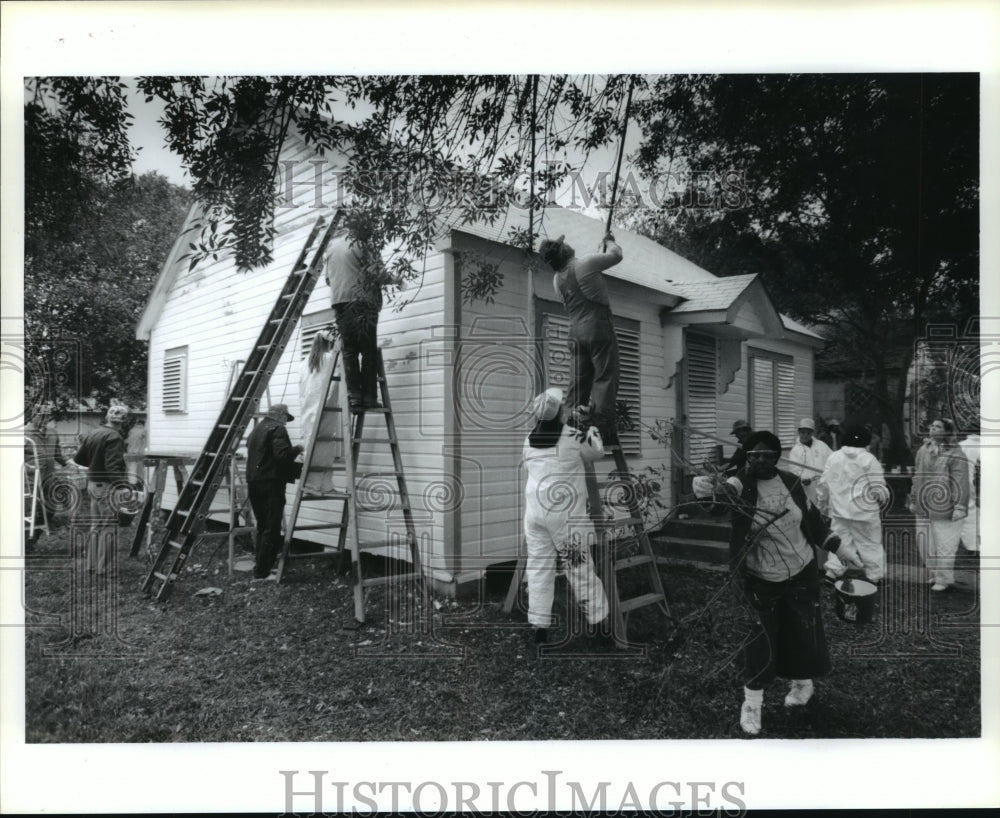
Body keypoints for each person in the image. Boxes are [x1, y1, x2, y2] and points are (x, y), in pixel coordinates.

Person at [693, 431, 861, 736]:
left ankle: (802, 685)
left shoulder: (792, 482)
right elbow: (718, 506)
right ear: (747, 457)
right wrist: (704, 491)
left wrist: (841, 549)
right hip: (761, 578)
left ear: (776, 455)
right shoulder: (739, 484)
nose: (760, 460)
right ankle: (752, 705)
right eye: (753, 455)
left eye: (767, 454)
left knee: (802, 630)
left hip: (801, 572)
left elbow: (813, 522)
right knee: (759, 640)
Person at [522, 387, 610, 645]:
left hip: (535, 515)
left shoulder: (528, 439)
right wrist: (591, 430)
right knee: (578, 567)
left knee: (539, 568)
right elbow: (597, 452)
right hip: (565, 519)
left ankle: (539, 627)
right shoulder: (573, 436)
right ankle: (598, 624)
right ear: (559, 413)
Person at [539, 231, 623, 442]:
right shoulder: (585, 264)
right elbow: (616, 256)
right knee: (604, 378)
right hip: (598, 327)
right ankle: (602, 429)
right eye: (563, 244)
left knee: (578, 382)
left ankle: (568, 424)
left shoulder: (557, 280)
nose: (566, 244)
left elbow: (582, 284)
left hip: (575, 332)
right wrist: (610, 242)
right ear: (563, 251)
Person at [325, 224, 388, 413]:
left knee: (349, 350)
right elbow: (378, 274)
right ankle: (368, 397)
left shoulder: (330, 247)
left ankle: (354, 397)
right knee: (368, 350)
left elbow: (328, 280)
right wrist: (398, 280)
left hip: (340, 302)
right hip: (363, 302)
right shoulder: (364, 242)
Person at [816, 423, 890, 583]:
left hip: (839, 511)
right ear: (866, 440)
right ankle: (874, 576)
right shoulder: (869, 459)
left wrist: (822, 506)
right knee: (870, 543)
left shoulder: (834, 457)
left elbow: (823, 485)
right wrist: (883, 500)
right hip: (864, 512)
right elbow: (878, 488)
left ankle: (832, 572)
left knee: (841, 543)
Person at [910, 418, 969, 591]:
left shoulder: (956, 453)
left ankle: (943, 579)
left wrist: (959, 506)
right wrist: (914, 499)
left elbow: (960, 481)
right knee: (925, 543)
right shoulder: (923, 449)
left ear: (947, 431)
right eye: (932, 425)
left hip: (945, 507)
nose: (932, 428)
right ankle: (934, 573)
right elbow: (917, 475)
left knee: (945, 544)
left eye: (937, 426)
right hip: (923, 504)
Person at [245, 403, 304, 579]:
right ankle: (262, 572)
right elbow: (282, 456)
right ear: (280, 415)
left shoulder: (256, 429)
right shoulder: (278, 429)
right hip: (270, 484)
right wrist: (298, 449)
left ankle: (260, 565)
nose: (286, 422)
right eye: (286, 418)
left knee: (262, 525)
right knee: (272, 526)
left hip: (253, 482)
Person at [71, 405, 129, 575]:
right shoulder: (115, 437)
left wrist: (96, 465)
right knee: (109, 527)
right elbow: (112, 467)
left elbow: (79, 459)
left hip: (92, 485)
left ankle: (91, 565)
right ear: (124, 421)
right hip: (106, 486)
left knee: (96, 525)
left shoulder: (94, 433)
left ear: (107, 416)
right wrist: (122, 486)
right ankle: (103, 569)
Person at [298, 328, 340, 495]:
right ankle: (314, 484)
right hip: (324, 406)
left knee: (313, 445)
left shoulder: (305, 362)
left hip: (308, 409)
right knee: (324, 446)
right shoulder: (329, 358)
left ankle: (320, 484)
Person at [786, 418, 832, 506]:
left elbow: (832, 460)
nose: (805, 435)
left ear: (812, 433)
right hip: (808, 487)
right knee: (811, 508)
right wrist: (803, 479)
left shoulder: (821, 445)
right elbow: (794, 470)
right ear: (799, 432)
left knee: (826, 508)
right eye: (803, 432)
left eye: (809, 433)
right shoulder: (795, 451)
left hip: (824, 484)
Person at [958, 426, 981, 555]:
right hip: (977, 482)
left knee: (967, 512)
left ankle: (970, 544)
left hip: (960, 482)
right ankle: (977, 544)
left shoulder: (960, 445)